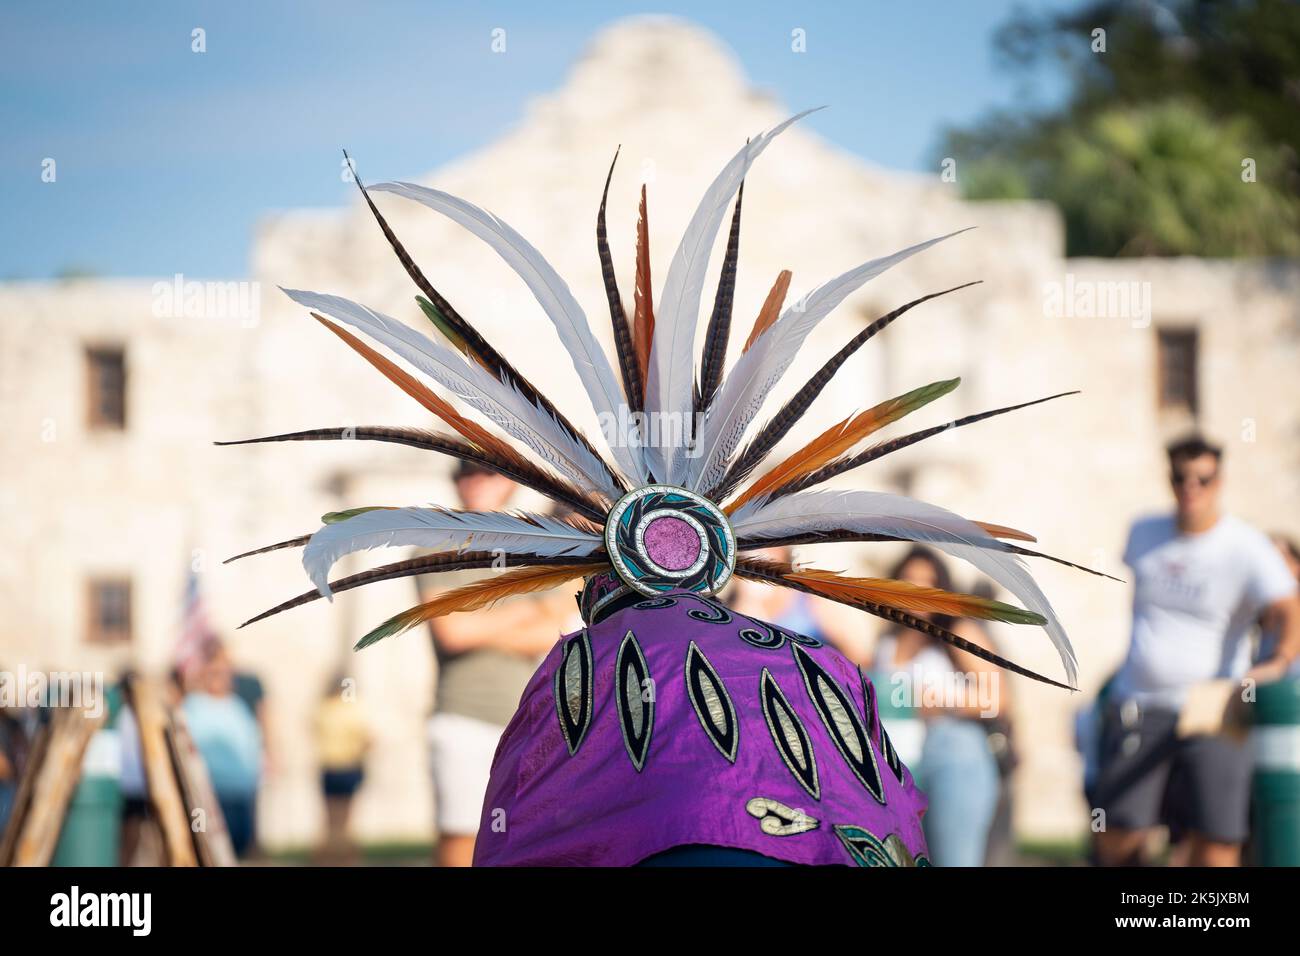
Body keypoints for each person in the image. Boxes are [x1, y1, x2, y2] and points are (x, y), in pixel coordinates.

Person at [1094, 434, 1300, 867]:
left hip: (1215, 703)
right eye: (1181, 477)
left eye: (1203, 479)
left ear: (1219, 481)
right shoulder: (1143, 532)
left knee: (1217, 834)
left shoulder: (1245, 545)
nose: (1192, 487)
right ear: (1169, 479)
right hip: (1140, 701)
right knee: (1118, 828)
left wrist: (1278, 661)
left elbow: (1288, 605)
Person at [421, 462, 573, 867]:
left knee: (523, 841)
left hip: (524, 719)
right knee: (461, 834)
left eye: (486, 473)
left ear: (507, 482)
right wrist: (527, 609)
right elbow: (452, 633)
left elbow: (551, 631)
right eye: (464, 473)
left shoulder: (528, 548)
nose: (474, 482)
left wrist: (481, 617)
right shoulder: (436, 547)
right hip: (464, 714)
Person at [869, 547, 1009, 867]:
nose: (918, 590)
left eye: (928, 582)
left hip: (953, 754)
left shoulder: (956, 632)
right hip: (900, 766)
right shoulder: (886, 641)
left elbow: (997, 700)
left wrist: (936, 700)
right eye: (909, 580)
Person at [181, 639, 263, 858]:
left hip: (240, 791)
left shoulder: (237, 706)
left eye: (224, 672)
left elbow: (249, 746)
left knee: (238, 847)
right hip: (210, 794)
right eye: (214, 672)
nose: (219, 678)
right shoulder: (193, 706)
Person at [313, 678, 370, 864]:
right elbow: (366, 738)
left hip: (329, 767)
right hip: (349, 767)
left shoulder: (323, 709)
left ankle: (328, 855)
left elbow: (312, 729)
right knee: (346, 817)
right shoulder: (352, 709)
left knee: (330, 818)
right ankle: (347, 856)